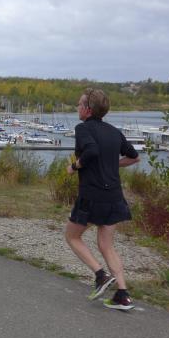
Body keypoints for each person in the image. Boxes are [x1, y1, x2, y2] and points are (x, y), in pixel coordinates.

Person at [65, 88, 140, 310]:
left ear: (88, 109)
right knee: (107, 245)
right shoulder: (114, 132)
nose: (77, 108)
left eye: (79, 104)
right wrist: (111, 164)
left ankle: (100, 275)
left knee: (72, 236)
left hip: (92, 195)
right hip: (114, 196)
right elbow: (134, 157)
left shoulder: (82, 129)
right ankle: (122, 295)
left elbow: (91, 151)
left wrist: (74, 166)